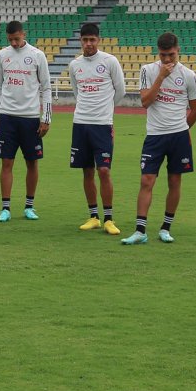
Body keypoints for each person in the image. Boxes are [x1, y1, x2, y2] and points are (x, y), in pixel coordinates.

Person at [122, 32, 196, 245]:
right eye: (164, 55)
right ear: (158, 52)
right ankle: (140, 230)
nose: (167, 60)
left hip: (178, 137)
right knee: (146, 180)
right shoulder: (148, 70)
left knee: (174, 181)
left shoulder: (189, 75)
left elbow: (195, 110)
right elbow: (145, 101)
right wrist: (161, 77)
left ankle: (166, 227)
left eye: (171, 55)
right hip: (155, 136)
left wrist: (183, 129)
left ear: (178, 51)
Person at [67, 22, 126, 235]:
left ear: (98, 40)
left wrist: (106, 112)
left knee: (104, 170)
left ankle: (109, 218)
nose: (89, 44)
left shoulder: (110, 62)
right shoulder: (75, 65)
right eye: (85, 40)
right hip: (81, 123)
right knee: (87, 170)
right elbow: (77, 92)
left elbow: (120, 91)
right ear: (81, 41)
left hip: (102, 125)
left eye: (92, 40)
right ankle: (93, 216)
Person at [0, 21, 52, 222]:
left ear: (23, 34)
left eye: (17, 39)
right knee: (6, 162)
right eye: (10, 40)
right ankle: (5, 208)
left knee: (32, 163)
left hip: (30, 118)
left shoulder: (37, 55)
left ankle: (29, 206)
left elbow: (46, 88)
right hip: (7, 117)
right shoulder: (2, 55)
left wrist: (46, 118)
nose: (14, 43)